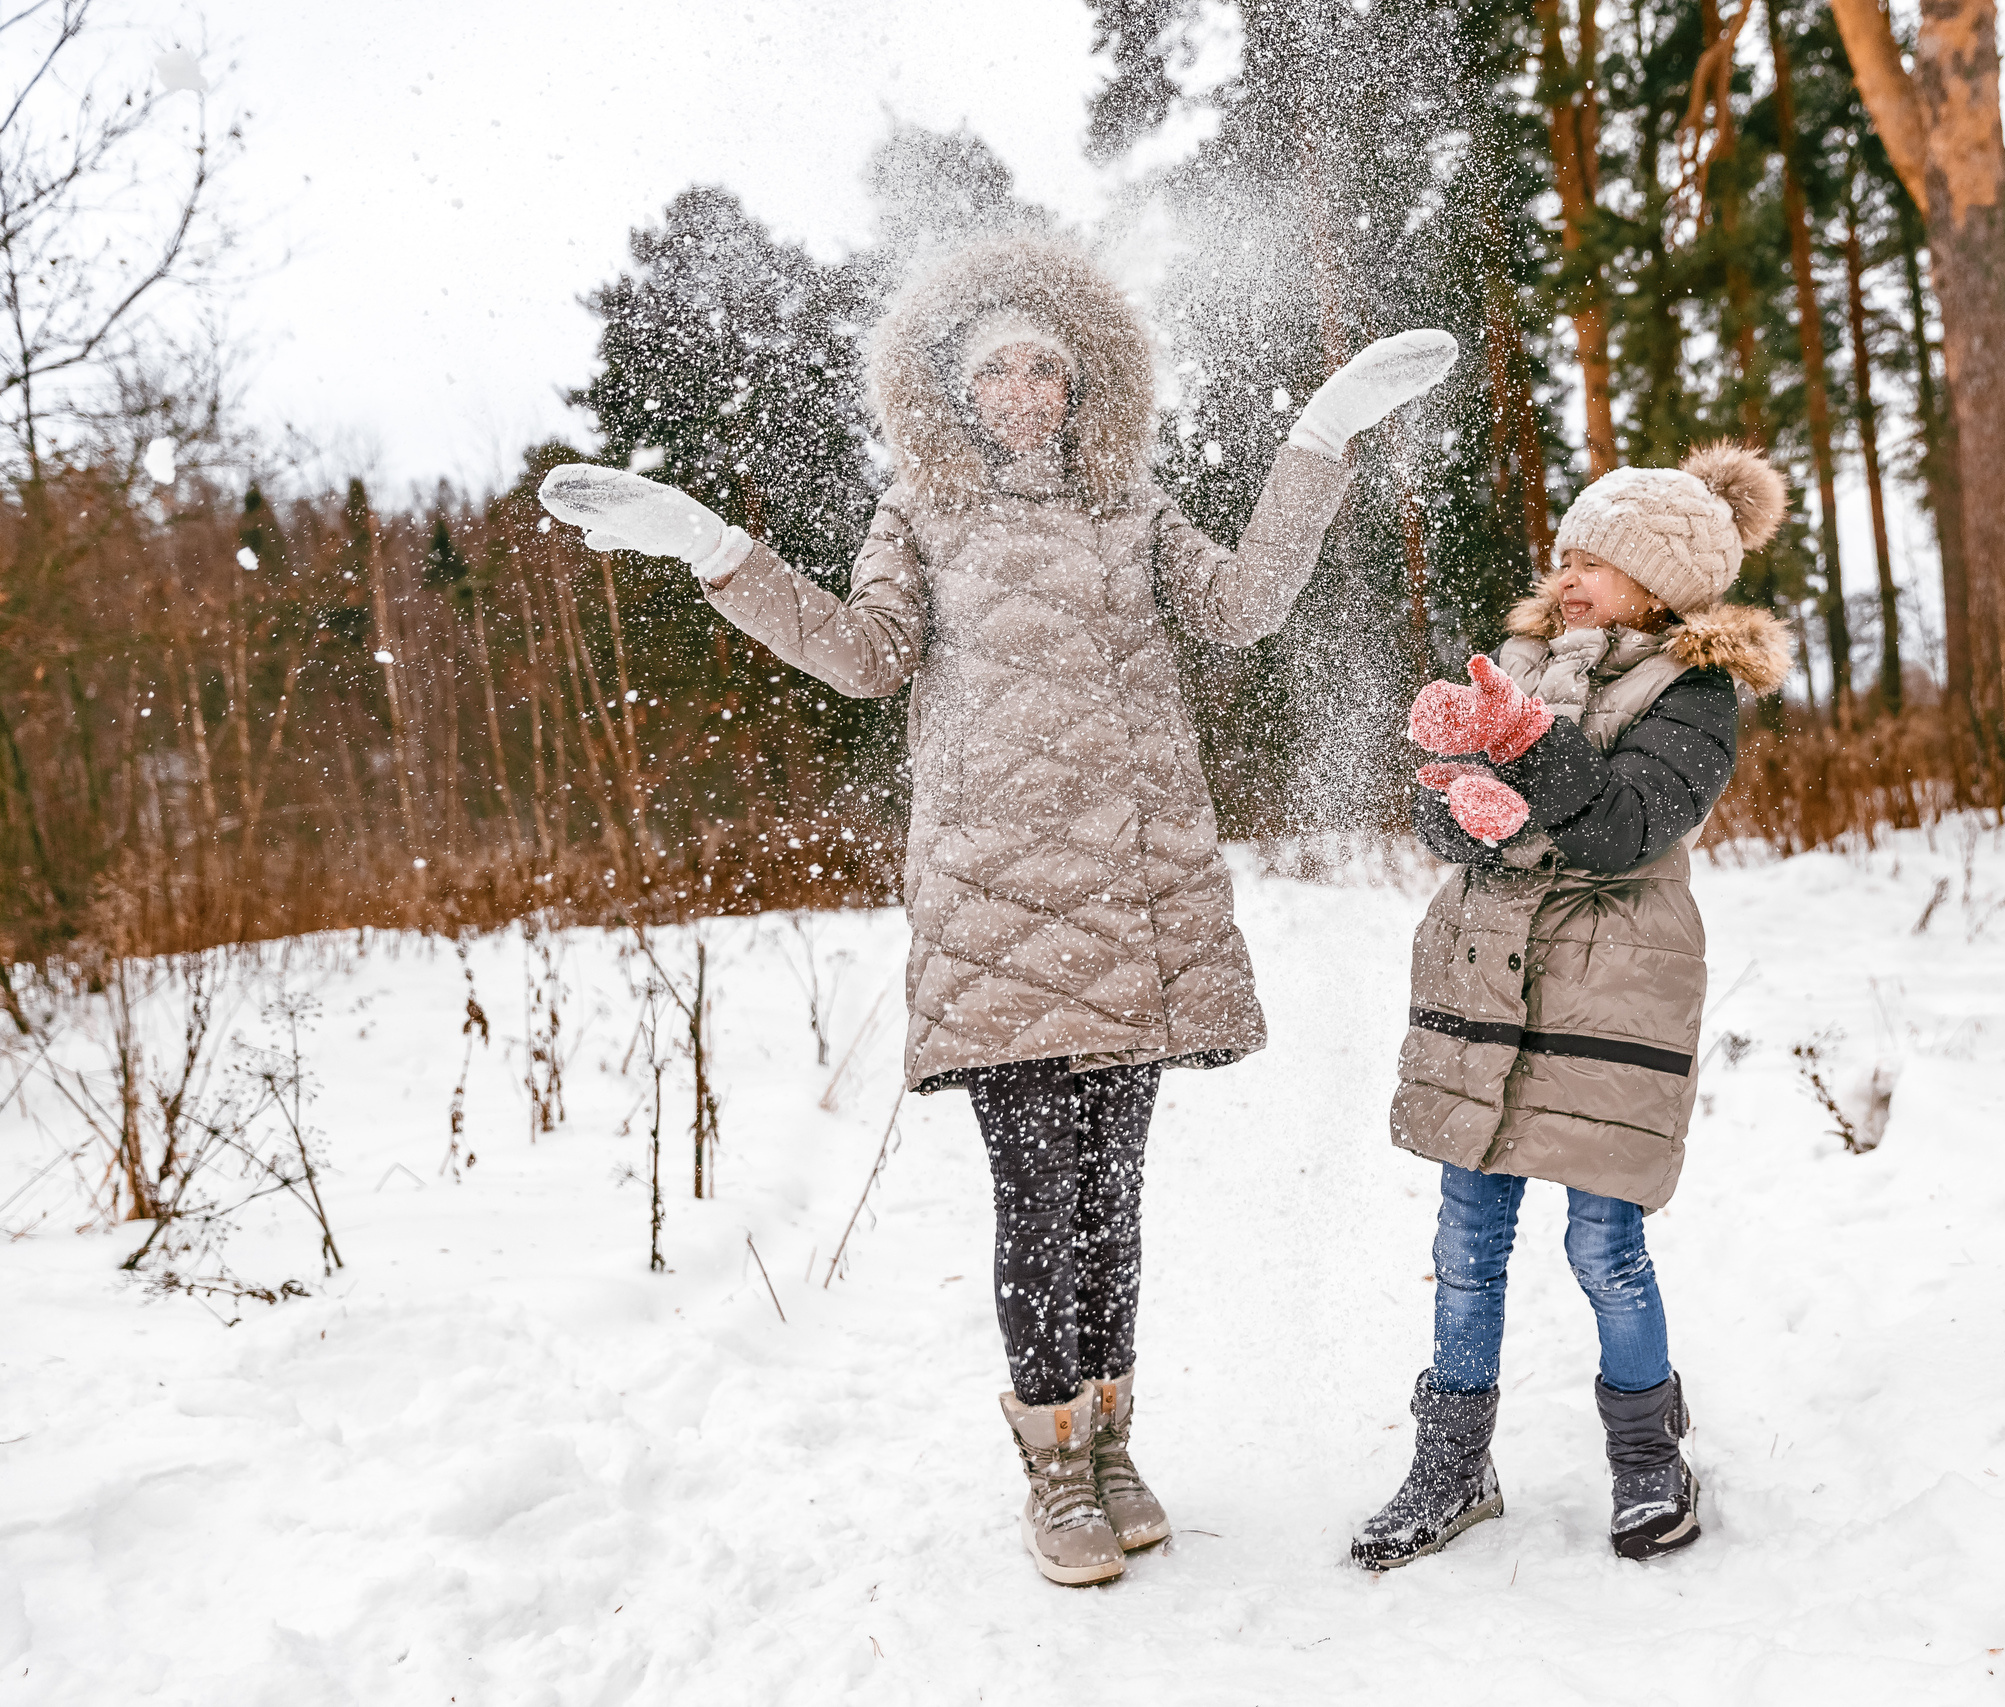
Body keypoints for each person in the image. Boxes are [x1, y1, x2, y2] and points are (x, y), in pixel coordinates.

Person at [538, 234, 1456, 1586]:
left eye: (1047, 366)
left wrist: (1318, 437)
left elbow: (1249, 607)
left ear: (1086, 383)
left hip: (1133, 896)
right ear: (954, 392)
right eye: (998, 370)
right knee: (1036, 1198)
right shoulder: (920, 517)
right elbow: (862, 657)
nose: (1026, 389)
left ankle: (1110, 1437)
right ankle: (1052, 1464)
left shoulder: (1132, 512)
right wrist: (717, 549)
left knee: (1112, 1196)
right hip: (992, 905)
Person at [1350, 443, 1791, 1569]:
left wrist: (1523, 752)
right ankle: (1452, 1463)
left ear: (1665, 586)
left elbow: (1620, 828)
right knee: (1464, 1246)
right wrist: (1461, 805)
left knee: (1605, 1246)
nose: (1572, 573)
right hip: (1488, 977)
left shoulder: (1691, 692)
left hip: (1609, 992)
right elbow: (1448, 818)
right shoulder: (1521, 662)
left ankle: (1646, 1453)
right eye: (1569, 554)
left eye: (1602, 560)